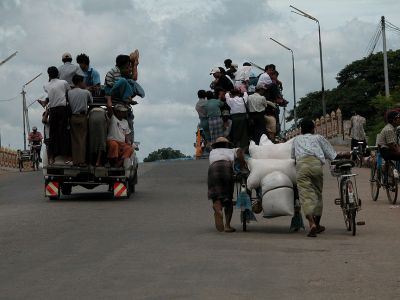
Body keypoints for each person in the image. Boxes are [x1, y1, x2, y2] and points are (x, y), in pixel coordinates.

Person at [291, 119, 338, 237]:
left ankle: (311, 224)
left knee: (305, 195)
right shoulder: (319, 138)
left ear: (301, 130)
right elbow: (332, 155)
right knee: (317, 194)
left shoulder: (296, 140)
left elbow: (292, 157)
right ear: (313, 129)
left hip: (302, 166)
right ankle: (317, 225)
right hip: (316, 165)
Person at [208, 136, 246, 232]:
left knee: (216, 194)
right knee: (228, 199)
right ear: (227, 144)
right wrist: (242, 166)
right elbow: (240, 152)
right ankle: (227, 226)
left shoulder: (212, 152)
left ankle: (217, 206)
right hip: (226, 168)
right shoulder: (231, 150)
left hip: (213, 169)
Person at [105, 52, 145, 142]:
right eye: (127, 67)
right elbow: (119, 84)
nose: (128, 69)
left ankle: (137, 94)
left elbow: (134, 78)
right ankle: (128, 98)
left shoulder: (121, 72)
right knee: (125, 81)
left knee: (131, 82)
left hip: (117, 89)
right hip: (110, 90)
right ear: (122, 66)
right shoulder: (116, 71)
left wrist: (135, 65)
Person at [41, 66, 71, 165]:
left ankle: (51, 158)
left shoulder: (46, 85)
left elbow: (49, 93)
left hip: (52, 110)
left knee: (53, 134)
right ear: (58, 74)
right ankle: (66, 157)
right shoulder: (63, 82)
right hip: (62, 110)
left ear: (49, 75)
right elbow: (68, 92)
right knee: (63, 133)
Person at [68, 74, 93, 166]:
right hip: (82, 117)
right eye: (83, 82)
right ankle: (82, 161)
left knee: (74, 140)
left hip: (73, 117)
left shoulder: (69, 92)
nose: (84, 83)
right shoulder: (86, 92)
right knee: (82, 139)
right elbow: (91, 102)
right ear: (79, 82)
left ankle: (75, 160)